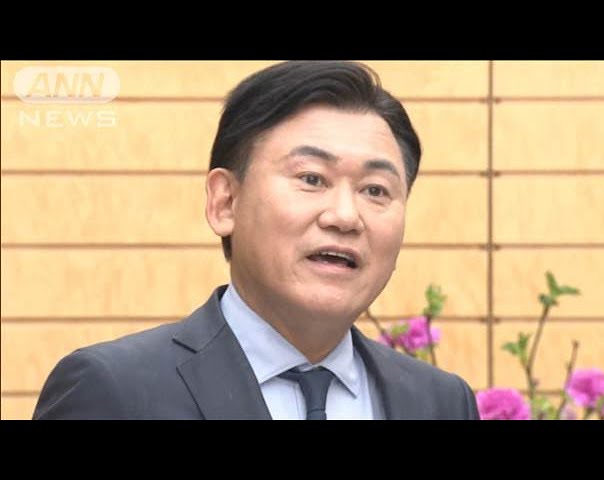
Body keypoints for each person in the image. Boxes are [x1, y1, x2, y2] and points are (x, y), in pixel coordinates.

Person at [33, 61, 480, 420]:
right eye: (312, 178)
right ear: (225, 202)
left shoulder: (441, 402)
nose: (346, 216)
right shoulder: (115, 390)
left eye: (375, 190)